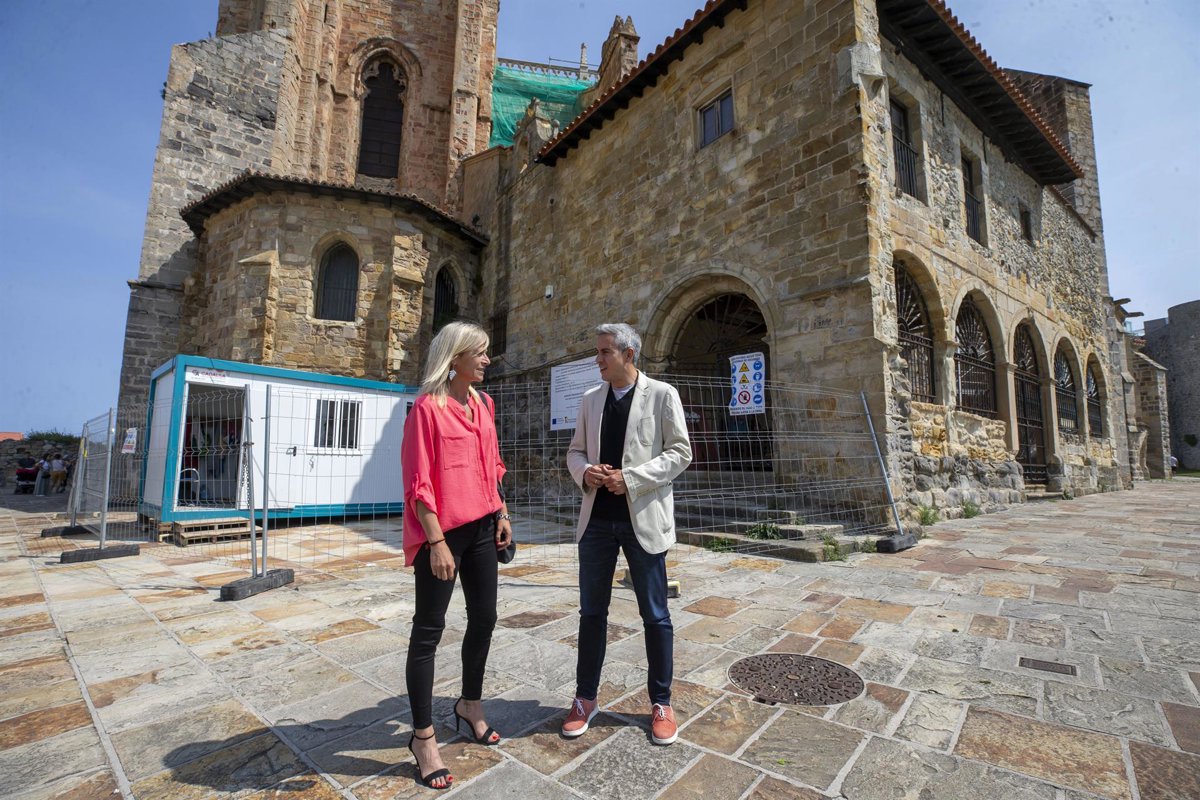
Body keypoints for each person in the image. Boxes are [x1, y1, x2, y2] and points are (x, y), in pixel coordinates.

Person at [562, 323, 693, 745]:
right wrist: (587, 471)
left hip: (644, 522)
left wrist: (631, 479)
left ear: (628, 354)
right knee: (591, 613)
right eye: (597, 351)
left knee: (655, 614)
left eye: (604, 352)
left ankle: (661, 702)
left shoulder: (662, 395)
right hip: (596, 522)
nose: (597, 359)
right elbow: (575, 451)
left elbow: (680, 452)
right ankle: (585, 698)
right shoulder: (590, 399)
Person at [400, 321, 512, 790]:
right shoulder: (427, 409)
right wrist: (436, 542)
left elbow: (491, 464)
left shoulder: (483, 404)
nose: (487, 360)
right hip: (442, 534)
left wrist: (502, 511)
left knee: (484, 618)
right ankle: (423, 737)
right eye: (479, 353)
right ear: (455, 358)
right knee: (429, 630)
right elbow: (418, 482)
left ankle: (470, 704)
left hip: (484, 526)